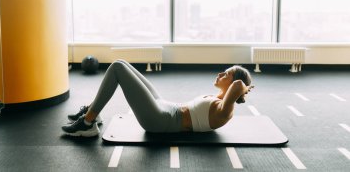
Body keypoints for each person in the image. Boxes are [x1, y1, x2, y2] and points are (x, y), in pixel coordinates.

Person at [62, 59, 254, 137]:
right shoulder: (217, 98)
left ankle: (87, 124)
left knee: (116, 69)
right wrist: (239, 86)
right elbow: (235, 85)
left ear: (234, 84)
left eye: (226, 73)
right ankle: (93, 111)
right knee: (120, 63)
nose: (221, 74)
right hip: (166, 106)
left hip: (161, 120)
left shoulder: (225, 110)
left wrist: (243, 88)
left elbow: (238, 86)